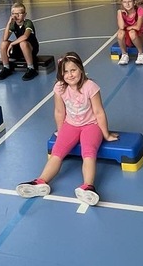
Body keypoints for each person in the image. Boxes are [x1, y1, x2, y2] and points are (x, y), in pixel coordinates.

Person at [16, 52, 118, 206]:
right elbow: (59, 111)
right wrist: (61, 131)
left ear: (81, 70)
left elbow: (99, 112)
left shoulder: (90, 86)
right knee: (57, 152)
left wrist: (106, 134)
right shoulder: (59, 87)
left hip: (91, 125)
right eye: (65, 72)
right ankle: (41, 182)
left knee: (88, 152)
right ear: (61, 74)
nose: (70, 75)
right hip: (70, 125)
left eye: (73, 70)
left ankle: (88, 186)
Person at [0, 1, 39, 82]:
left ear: (25, 14)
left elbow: (25, 36)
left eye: (19, 13)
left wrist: (12, 43)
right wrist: (9, 23)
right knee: (3, 43)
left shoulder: (28, 23)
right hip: (19, 48)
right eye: (14, 14)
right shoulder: (13, 24)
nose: (16, 16)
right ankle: (6, 68)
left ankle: (31, 68)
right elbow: (5, 38)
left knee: (23, 43)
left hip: (31, 49)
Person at [116, 0, 143, 65]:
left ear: (134, 2)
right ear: (122, 3)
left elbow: (138, 27)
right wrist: (119, 12)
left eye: (129, 1)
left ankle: (141, 54)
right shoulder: (121, 13)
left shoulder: (140, 10)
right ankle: (124, 55)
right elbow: (121, 27)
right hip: (128, 39)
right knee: (120, 33)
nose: (127, 4)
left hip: (140, 37)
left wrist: (127, 28)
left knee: (132, 32)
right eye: (124, 2)